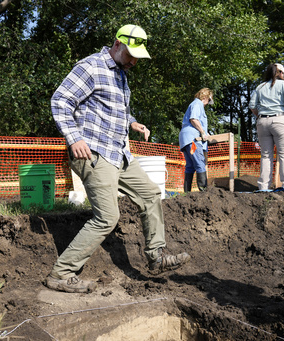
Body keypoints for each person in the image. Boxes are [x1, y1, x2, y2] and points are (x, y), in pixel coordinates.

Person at [47, 24, 191, 293]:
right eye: (131, 54)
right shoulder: (91, 66)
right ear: (117, 44)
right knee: (107, 217)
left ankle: (156, 258)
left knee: (150, 193)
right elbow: (60, 101)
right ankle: (61, 273)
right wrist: (74, 138)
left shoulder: (121, 73)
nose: (135, 60)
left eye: (138, 56)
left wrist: (133, 122)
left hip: (118, 152)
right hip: (93, 151)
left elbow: (115, 108)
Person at [249, 63, 284, 191]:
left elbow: (252, 106)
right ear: (280, 72)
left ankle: (263, 186)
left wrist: (259, 115)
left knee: (266, 155)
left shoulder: (260, 87)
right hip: (279, 120)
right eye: (283, 73)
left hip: (262, 122)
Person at [178, 88, 214, 192]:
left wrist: (204, 132)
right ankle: (203, 192)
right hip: (193, 139)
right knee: (200, 163)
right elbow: (193, 119)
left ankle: (187, 193)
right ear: (205, 97)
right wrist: (202, 132)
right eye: (208, 100)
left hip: (186, 140)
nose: (207, 103)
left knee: (190, 166)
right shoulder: (197, 104)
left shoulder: (194, 104)